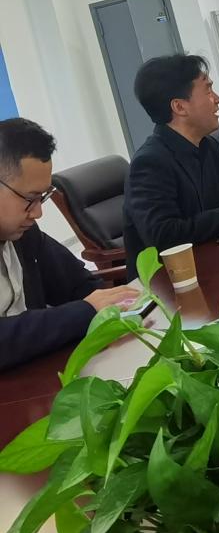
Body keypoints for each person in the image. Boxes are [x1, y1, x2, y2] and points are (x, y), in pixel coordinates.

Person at [0, 118, 139, 371]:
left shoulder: (24, 234)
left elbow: (78, 285)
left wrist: (118, 303)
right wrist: (85, 311)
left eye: (43, 197)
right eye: (30, 199)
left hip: (35, 372)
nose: (38, 213)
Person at [123, 55, 219, 277]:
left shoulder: (207, 145)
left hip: (215, 261)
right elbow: (164, 236)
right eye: (208, 90)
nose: (217, 99)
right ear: (179, 106)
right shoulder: (150, 163)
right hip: (170, 281)